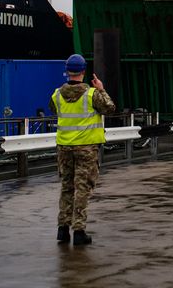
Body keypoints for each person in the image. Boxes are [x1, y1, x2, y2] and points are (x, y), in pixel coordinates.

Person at [50, 53, 115, 246]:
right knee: (82, 188)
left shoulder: (56, 95)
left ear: (67, 71)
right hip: (86, 149)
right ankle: (79, 230)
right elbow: (110, 108)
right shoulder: (92, 95)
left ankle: (62, 229)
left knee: (67, 187)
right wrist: (101, 89)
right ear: (84, 72)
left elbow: (54, 110)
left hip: (64, 148)